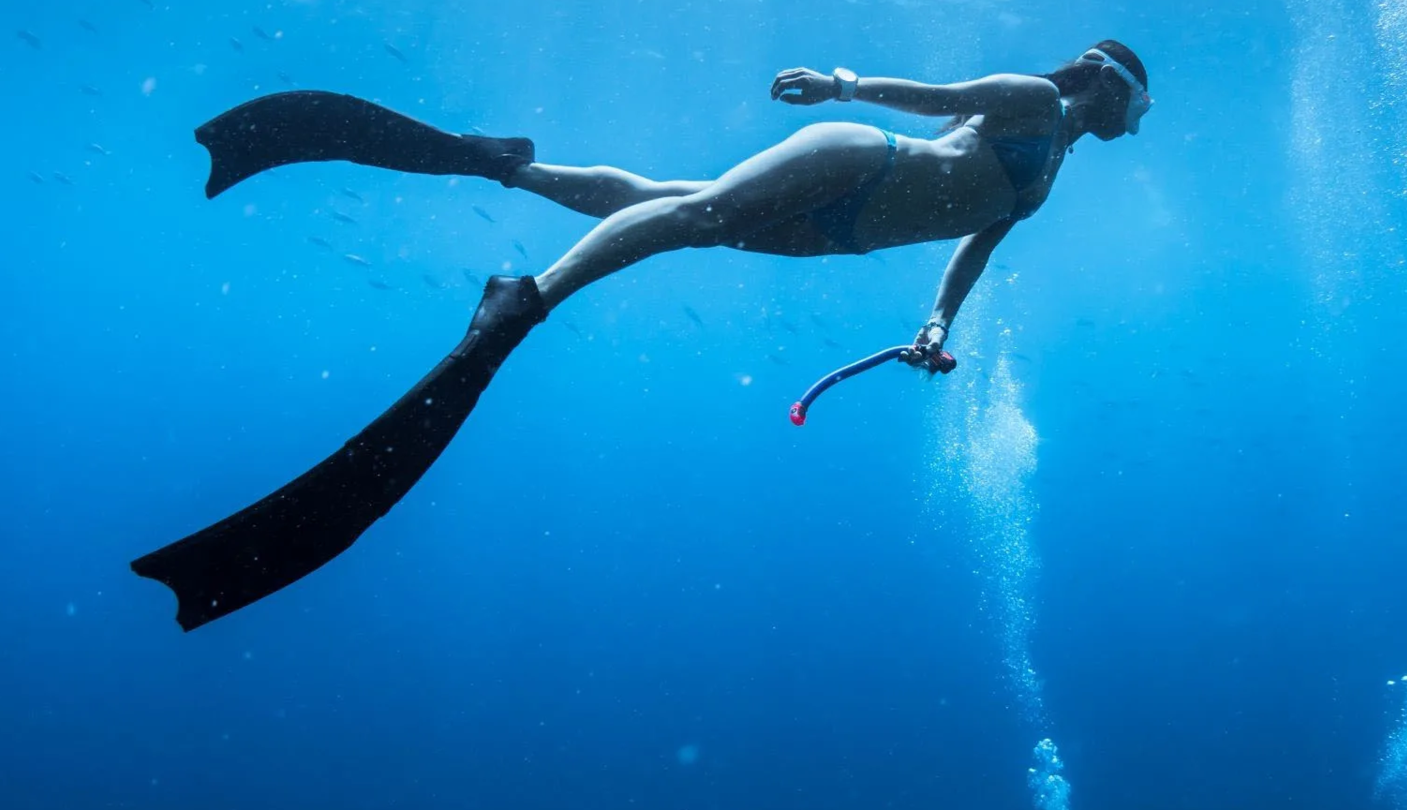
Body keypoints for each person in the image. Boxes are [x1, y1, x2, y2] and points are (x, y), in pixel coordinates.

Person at [132, 41, 1150, 631]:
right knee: (686, 223)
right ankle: (527, 300)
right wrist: (840, 83)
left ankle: (500, 165)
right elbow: (938, 99)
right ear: (1106, 76)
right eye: (1140, 102)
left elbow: (975, 243)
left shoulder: (1052, 171)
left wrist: (934, 321)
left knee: (674, 202)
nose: (1141, 123)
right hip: (859, 159)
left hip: (834, 231)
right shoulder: (1031, 99)